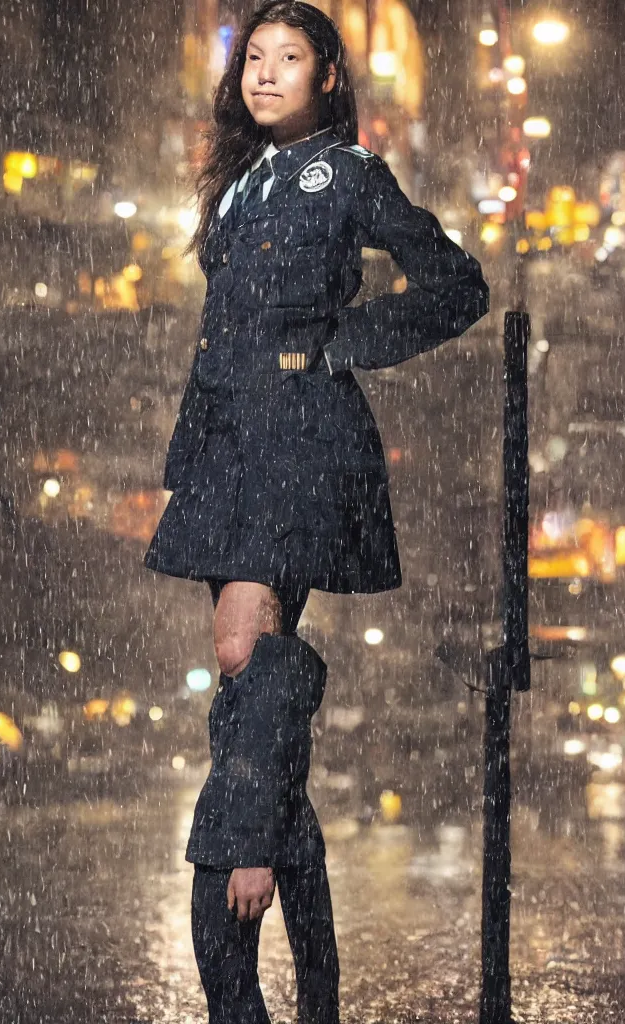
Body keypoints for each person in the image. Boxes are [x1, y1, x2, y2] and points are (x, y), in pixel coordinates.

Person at [143, 1, 489, 1020]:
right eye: (255, 58)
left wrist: (343, 344)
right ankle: (314, 987)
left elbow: (455, 286)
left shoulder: (348, 174)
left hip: (298, 439)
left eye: (290, 59)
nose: (266, 74)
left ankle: (243, 879)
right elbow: (222, 331)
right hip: (232, 445)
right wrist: (190, 458)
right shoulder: (241, 178)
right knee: (240, 655)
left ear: (327, 76)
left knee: (251, 657)